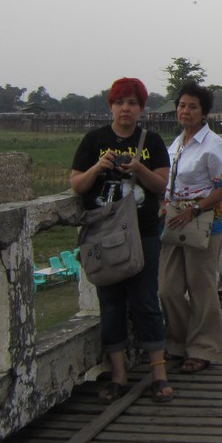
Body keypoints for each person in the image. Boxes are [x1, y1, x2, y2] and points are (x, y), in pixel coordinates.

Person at [70, 77, 174, 404]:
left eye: (132, 103)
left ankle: (159, 373)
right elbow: (77, 184)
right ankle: (118, 375)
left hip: (142, 233)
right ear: (110, 106)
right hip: (102, 235)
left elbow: (159, 186)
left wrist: (138, 168)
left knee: (145, 301)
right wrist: (98, 167)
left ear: (142, 108)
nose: (125, 108)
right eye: (119, 102)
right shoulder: (94, 140)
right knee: (111, 303)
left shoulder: (152, 141)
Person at [160, 80, 222, 373]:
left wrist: (195, 209)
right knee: (168, 288)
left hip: (206, 222)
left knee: (201, 286)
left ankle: (203, 348)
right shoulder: (177, 143)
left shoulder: (212, 144)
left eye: (193, 107)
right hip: (174, 221)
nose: (186, 111)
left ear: (203, 112)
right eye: (182, 105)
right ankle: (178, 342)